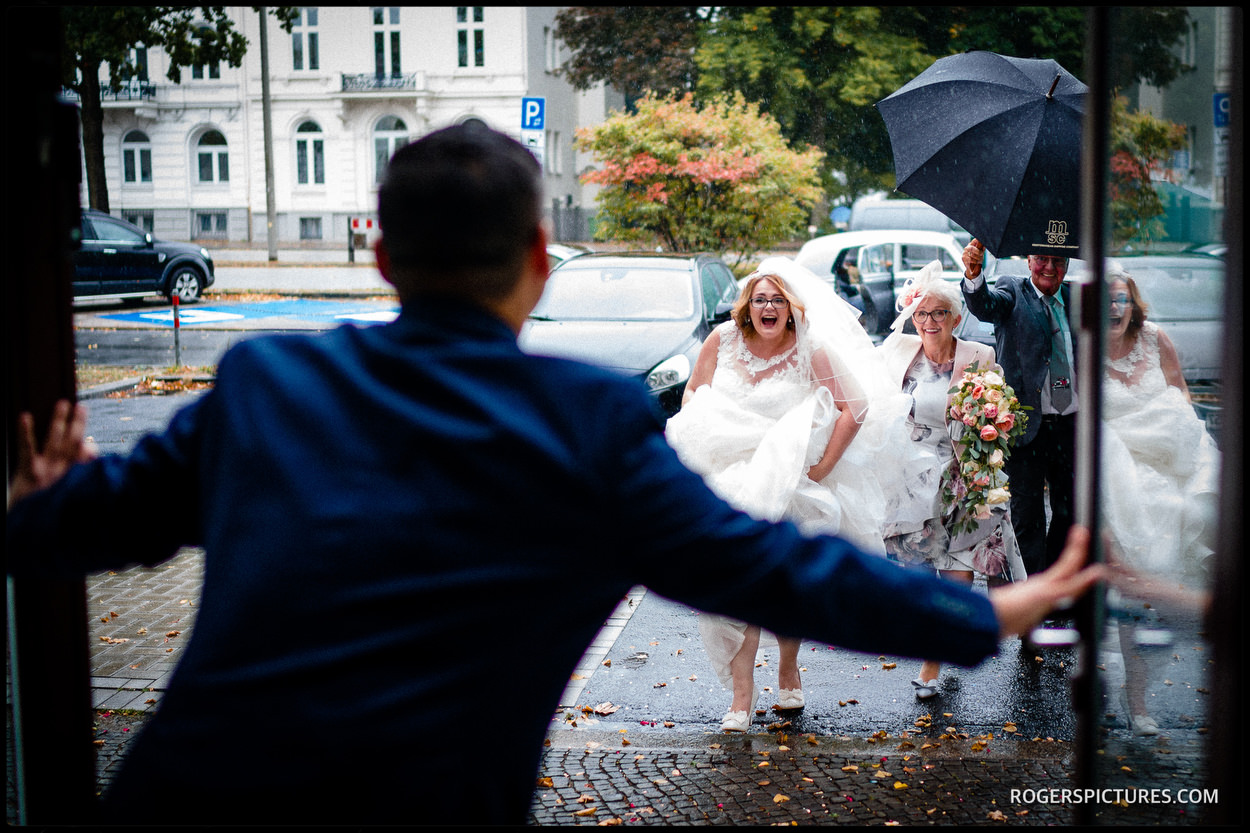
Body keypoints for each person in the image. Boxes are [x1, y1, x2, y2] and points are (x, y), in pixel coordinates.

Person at [6, 122, 1102, 827]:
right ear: (539, 260)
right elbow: (770, 570)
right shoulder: (585, 423)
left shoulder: (264, 382)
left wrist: (45, 499)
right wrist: (989, 609)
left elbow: (94, 523)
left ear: (382, 257)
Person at [665, 257, 916, 731]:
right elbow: (693, 393)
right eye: (760, 299)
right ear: (747, 306)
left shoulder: (809, 348)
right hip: (730, 481)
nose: (768, 306)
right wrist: (703, 435)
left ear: (790, 307)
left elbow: (854, 407)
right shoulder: (722, 340)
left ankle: (787, 669)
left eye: (777, 299)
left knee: (781, 584)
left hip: (788, 480)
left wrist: (821, 468)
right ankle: (741, 697)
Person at [879, 262, 1028, 700]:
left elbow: (998, 414)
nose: (929, 322)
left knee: (957, 565)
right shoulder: (896, 351)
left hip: (962, 473)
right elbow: (864, 391)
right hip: (911, 474)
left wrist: (985, 441)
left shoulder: (978, 356)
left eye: (939, 314)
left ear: (956, 318)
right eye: (921, 314)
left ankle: (933, 660)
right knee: (922, 570)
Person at [1098, 264, 1219, 735]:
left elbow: (1181, 396)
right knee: (1128, 588)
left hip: (1171, 470)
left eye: (1121, 298)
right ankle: (1134, 700)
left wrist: (1177, 434)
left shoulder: (1156, 340)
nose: (1114, 307)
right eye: (1106, 299)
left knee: (1167, 578)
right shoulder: (1086, 350)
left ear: (1133, 303)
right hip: (1121, 477)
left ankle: (1141, 696)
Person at [962, 241, 1077, 577]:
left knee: (1070, 514)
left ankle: (1056, 589)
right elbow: (985, 306)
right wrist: (973, 275)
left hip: (1072, 424)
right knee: (1027, 518)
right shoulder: (1011, 291)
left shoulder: (1078, 299)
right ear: (1028, 259)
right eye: (1042, 259)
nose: (1050, 268)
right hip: (1027, 428)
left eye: (1058, 260)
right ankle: (1033, 600)